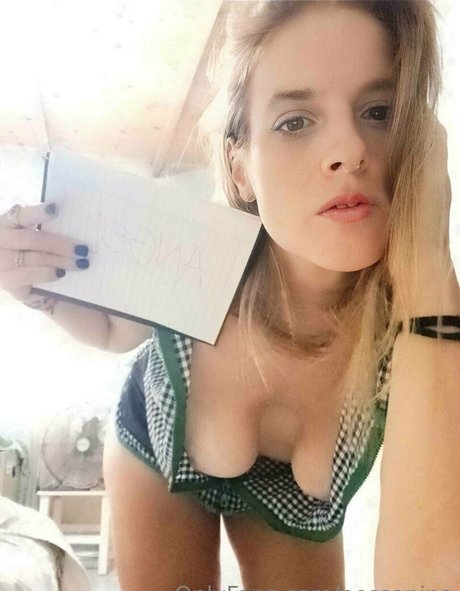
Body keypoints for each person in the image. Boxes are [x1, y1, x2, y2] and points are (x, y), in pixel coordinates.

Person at [0, 1, 458, 589]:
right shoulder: (199, 254)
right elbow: (113, 331)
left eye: (380, 112)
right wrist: (38, 289)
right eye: (295, 121)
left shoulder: (425, 327)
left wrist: (429, 255)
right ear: (241, 167)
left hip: (296, 511)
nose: (350, 148)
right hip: (155, 454)